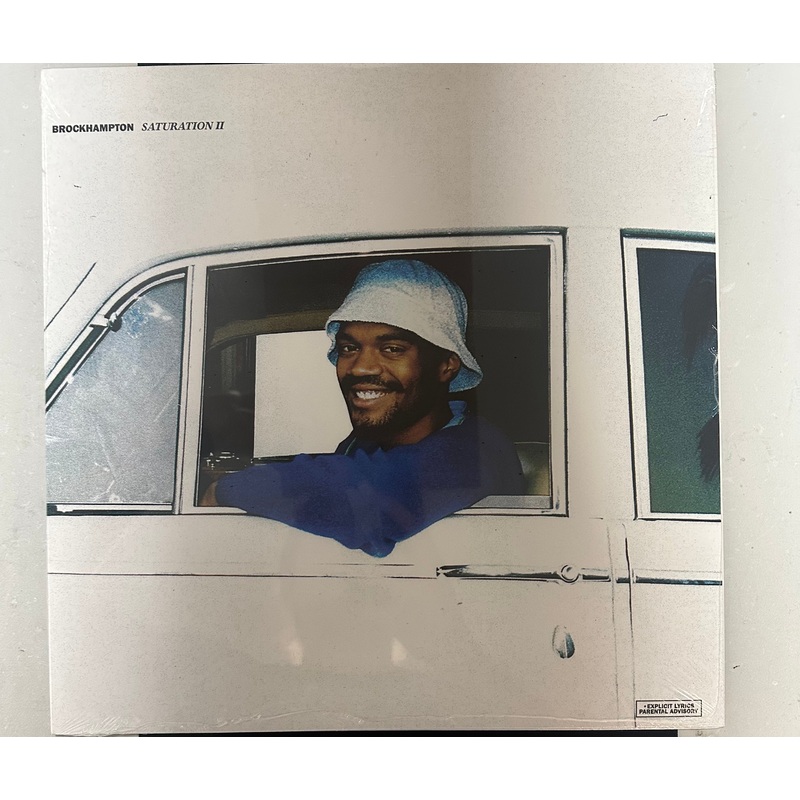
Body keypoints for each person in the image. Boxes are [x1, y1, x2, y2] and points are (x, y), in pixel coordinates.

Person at [202, 259, 524, 556]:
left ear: (446, 366)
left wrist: (223, 490)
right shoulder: (364, 444)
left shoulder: (479, 448)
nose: (360, 367)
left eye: (392, 348)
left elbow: (370, 505)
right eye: (349, 348)